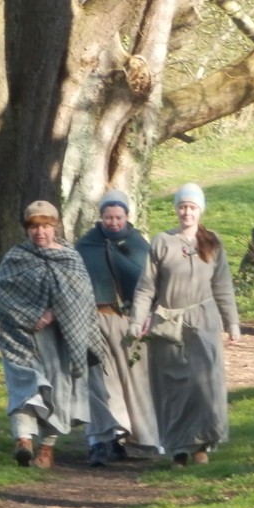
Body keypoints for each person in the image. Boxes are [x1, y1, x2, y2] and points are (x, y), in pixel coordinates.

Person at [128, 183, 241, 468]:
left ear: (200, 210)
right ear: (176, 209)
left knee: (205, 384)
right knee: (173, 388)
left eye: (192, 207)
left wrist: (233, 324)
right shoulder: (162, 242)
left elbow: (223, 286)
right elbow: (146, 287)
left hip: (203, 320)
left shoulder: (212, 242)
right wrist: (137, 319)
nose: (186, 212)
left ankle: (202, 444)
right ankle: (178, 448)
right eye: (182, 207)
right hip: (167, 323)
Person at [0, 200, 102, 469]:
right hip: (22, 337)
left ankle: (46, 449)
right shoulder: (16, 259)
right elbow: (2, 297)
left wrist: (54, 313)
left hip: (60, 339)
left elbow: (82, 299)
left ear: (55, 227)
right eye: (33, 227)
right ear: (26, 230)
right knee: (24, 384)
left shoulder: (71, 259)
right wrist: (30, 318)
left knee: (58, 390)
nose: (40, 232)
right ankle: (24, 440)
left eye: (45, 226)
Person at [75, 189, 160, 466]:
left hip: (130, 323)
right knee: (99, 383)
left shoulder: (139, 246)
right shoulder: (86, 246)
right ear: (100, 218)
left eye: (118, 217)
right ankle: (99, 441)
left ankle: (130, 440)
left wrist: (149, 314)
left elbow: (153, 285)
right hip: (93, 321)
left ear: (127, 216)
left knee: (132, 383)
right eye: (108, 218)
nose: (113, 222)